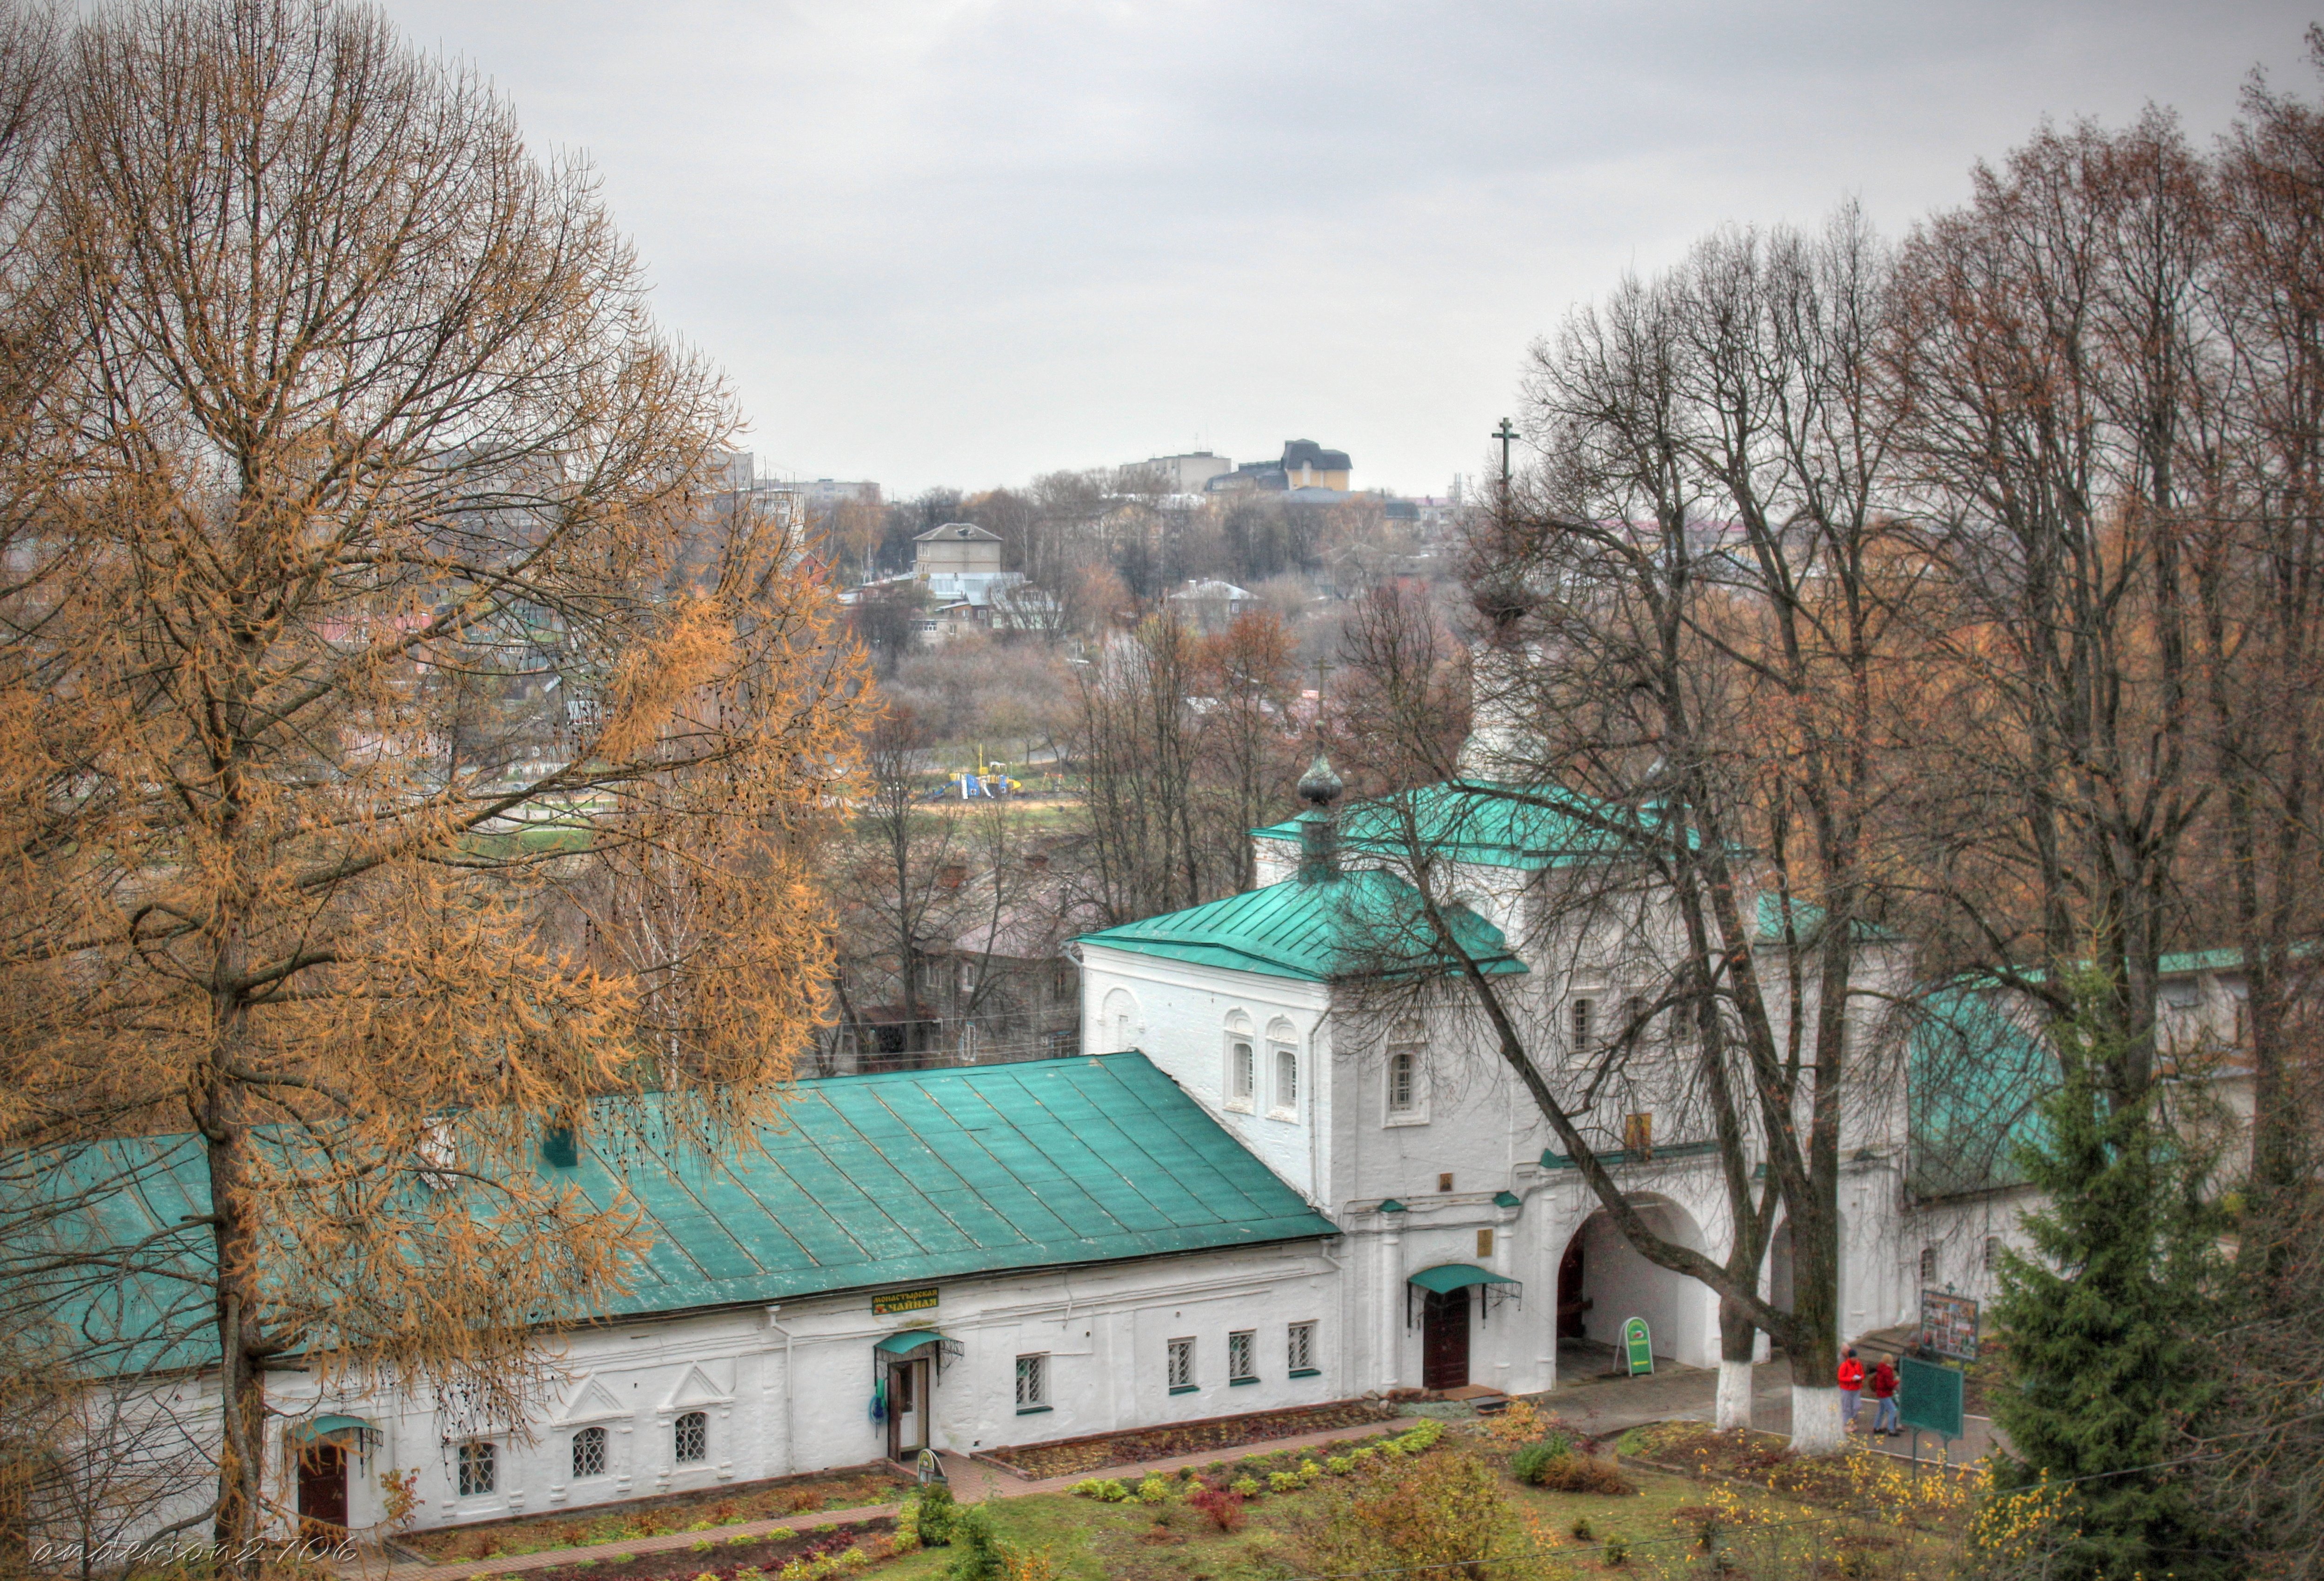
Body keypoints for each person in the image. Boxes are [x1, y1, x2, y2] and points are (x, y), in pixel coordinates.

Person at [1870, 1356, 1901, 1436]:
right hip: (1885, 1393)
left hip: (1880, 1393)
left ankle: (1876, 1427)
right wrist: (1897, 1382)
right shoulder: (1888, 1371)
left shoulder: (1881, 1369)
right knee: (1892, 1410)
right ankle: (1891, 1430)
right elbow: (1890, 1385)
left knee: (1881, 1411)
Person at [1838, 1348, 1865, 1430]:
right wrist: (1851, 1379)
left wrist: (1860, 1378)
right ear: (1850, 1358)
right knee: (1847, 1407)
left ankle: (1853, 1421)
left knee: (1857, 1406)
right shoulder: (1844, 1365)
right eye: (1854, 1358)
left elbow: (1862, 1374)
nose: (1856, 1360)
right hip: (1847, 1389)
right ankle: (1847, 1424)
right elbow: (1841, 1378)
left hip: (1857, 1389)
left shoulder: (1858, 1364)